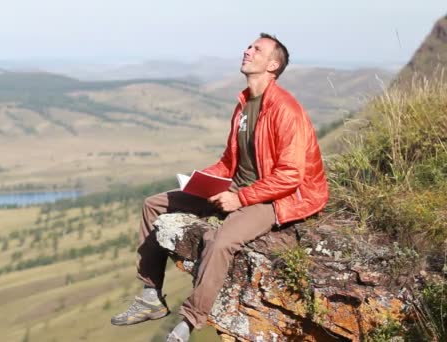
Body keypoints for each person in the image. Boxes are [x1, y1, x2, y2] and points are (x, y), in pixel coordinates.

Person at [111, 33, 329, 342]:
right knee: (154, 204)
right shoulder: (244, 104)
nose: (247, 50)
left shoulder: (286, 109)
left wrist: (240, 198)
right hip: (239, 189)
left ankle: (188, 322)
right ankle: (150, 296)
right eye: (249, 46)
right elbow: (229, 162)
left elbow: (291, 175)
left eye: (257, 49)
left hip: (277, 197)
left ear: (273, 64)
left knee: (221, 239)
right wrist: (200, 181)